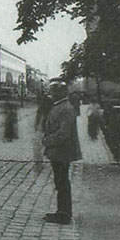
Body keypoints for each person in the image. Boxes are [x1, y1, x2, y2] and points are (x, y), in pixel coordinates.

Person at [41, 79, 82, 224]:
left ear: (59, 93)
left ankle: (64, 214)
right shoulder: (61, 106)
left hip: (62, 151)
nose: (50, 95)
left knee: (62, 182)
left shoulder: (65, 108)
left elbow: (63, 133)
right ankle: (62, 211)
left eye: (53, 92)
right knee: (60, 182)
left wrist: (47, 141)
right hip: (59, 151)